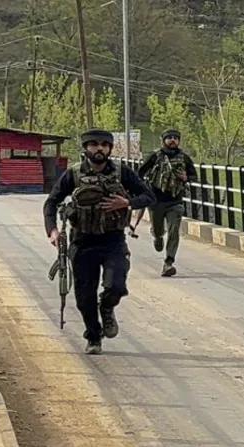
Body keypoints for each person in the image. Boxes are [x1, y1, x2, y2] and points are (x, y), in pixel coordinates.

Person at [43, 128, 156, 354]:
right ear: (86, 148)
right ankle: (94, 337)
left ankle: (106, 307)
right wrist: (53, 231)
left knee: (116, 286)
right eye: (94, 144)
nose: (99, 149)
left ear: (109, 149)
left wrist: (127, 203)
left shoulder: (122, 173)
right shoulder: (74, 174)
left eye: (104, 145)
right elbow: (51, 202)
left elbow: (149, 196)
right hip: (82, 242)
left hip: (113, 241)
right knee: (84, 297)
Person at [136, 128, 197, 277]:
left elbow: (194, 175)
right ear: (163, 140)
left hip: (175, 201)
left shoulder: (184, 158)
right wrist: (142, 191)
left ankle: (169, 262)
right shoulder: (155, 156)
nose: (172, 140)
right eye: (169, 138)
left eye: (175, 138)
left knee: (174, 230)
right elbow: (139, 173)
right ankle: (157, 237)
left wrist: (186, 178)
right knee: (158, 230)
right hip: (156, 201)